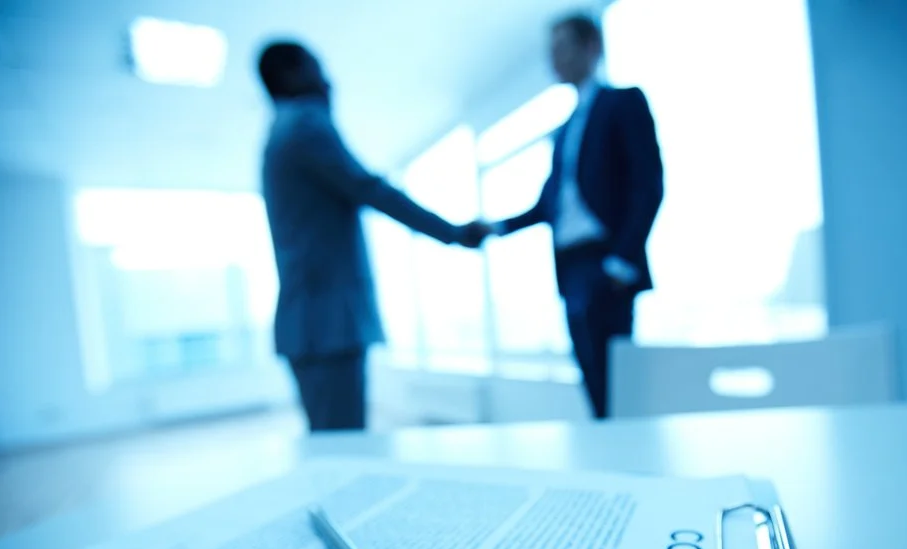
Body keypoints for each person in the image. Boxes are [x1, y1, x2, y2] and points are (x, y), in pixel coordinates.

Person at [256, 40, 487, 432]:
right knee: (341, 445)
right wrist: (453, 233)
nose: (327, 78)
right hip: (327, 324)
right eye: (317, 66)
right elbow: (370, 189)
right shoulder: (304, 125)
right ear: (291, 73)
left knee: (331, 442)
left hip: (311, 324)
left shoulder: (280, 131)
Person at [486, 14, 664, 419]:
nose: (556, 59)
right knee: (592, 381)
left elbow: (648, 185)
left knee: (621, 387)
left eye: (563, 47)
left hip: (608, 260)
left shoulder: (623, 102)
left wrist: (622, 260)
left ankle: (630, 469)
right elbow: (548, 204)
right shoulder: (565, 131)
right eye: (551, 51)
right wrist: (496, 227)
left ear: (592, 47)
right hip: (571, 267)